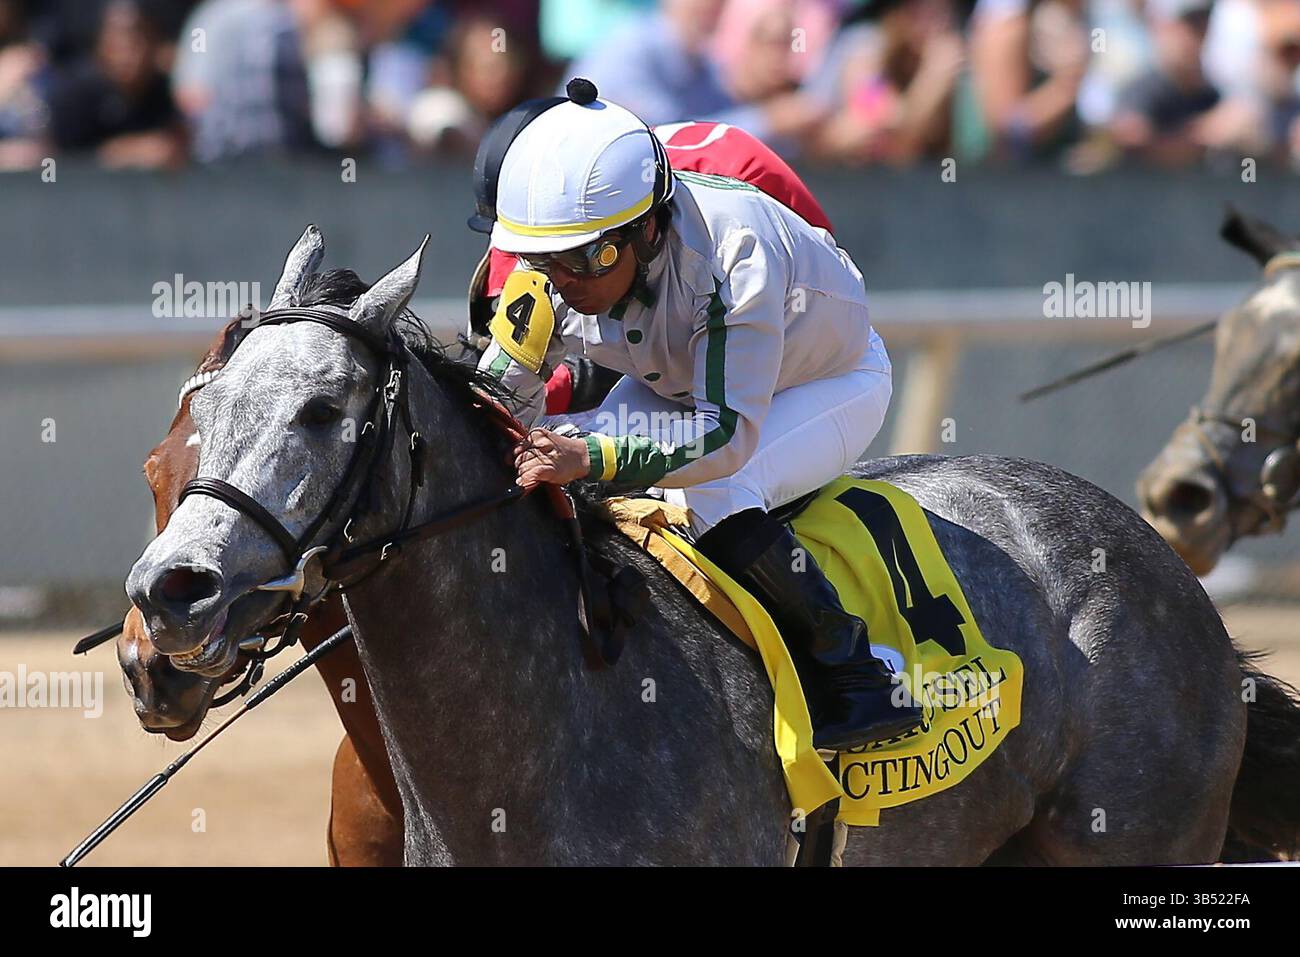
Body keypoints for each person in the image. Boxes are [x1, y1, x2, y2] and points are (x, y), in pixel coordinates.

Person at [475, 78, 922, 750]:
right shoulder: (560, 260)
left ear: (648, 227)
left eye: (584, 259)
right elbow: (498, 402)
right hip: (682, 378)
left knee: (712, 486)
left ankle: (854, 669)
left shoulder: (732, 256)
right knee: (550, 447)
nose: (562, 281)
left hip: (827, 380)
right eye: (544, 261)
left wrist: (591, 455)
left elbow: (725, 434)